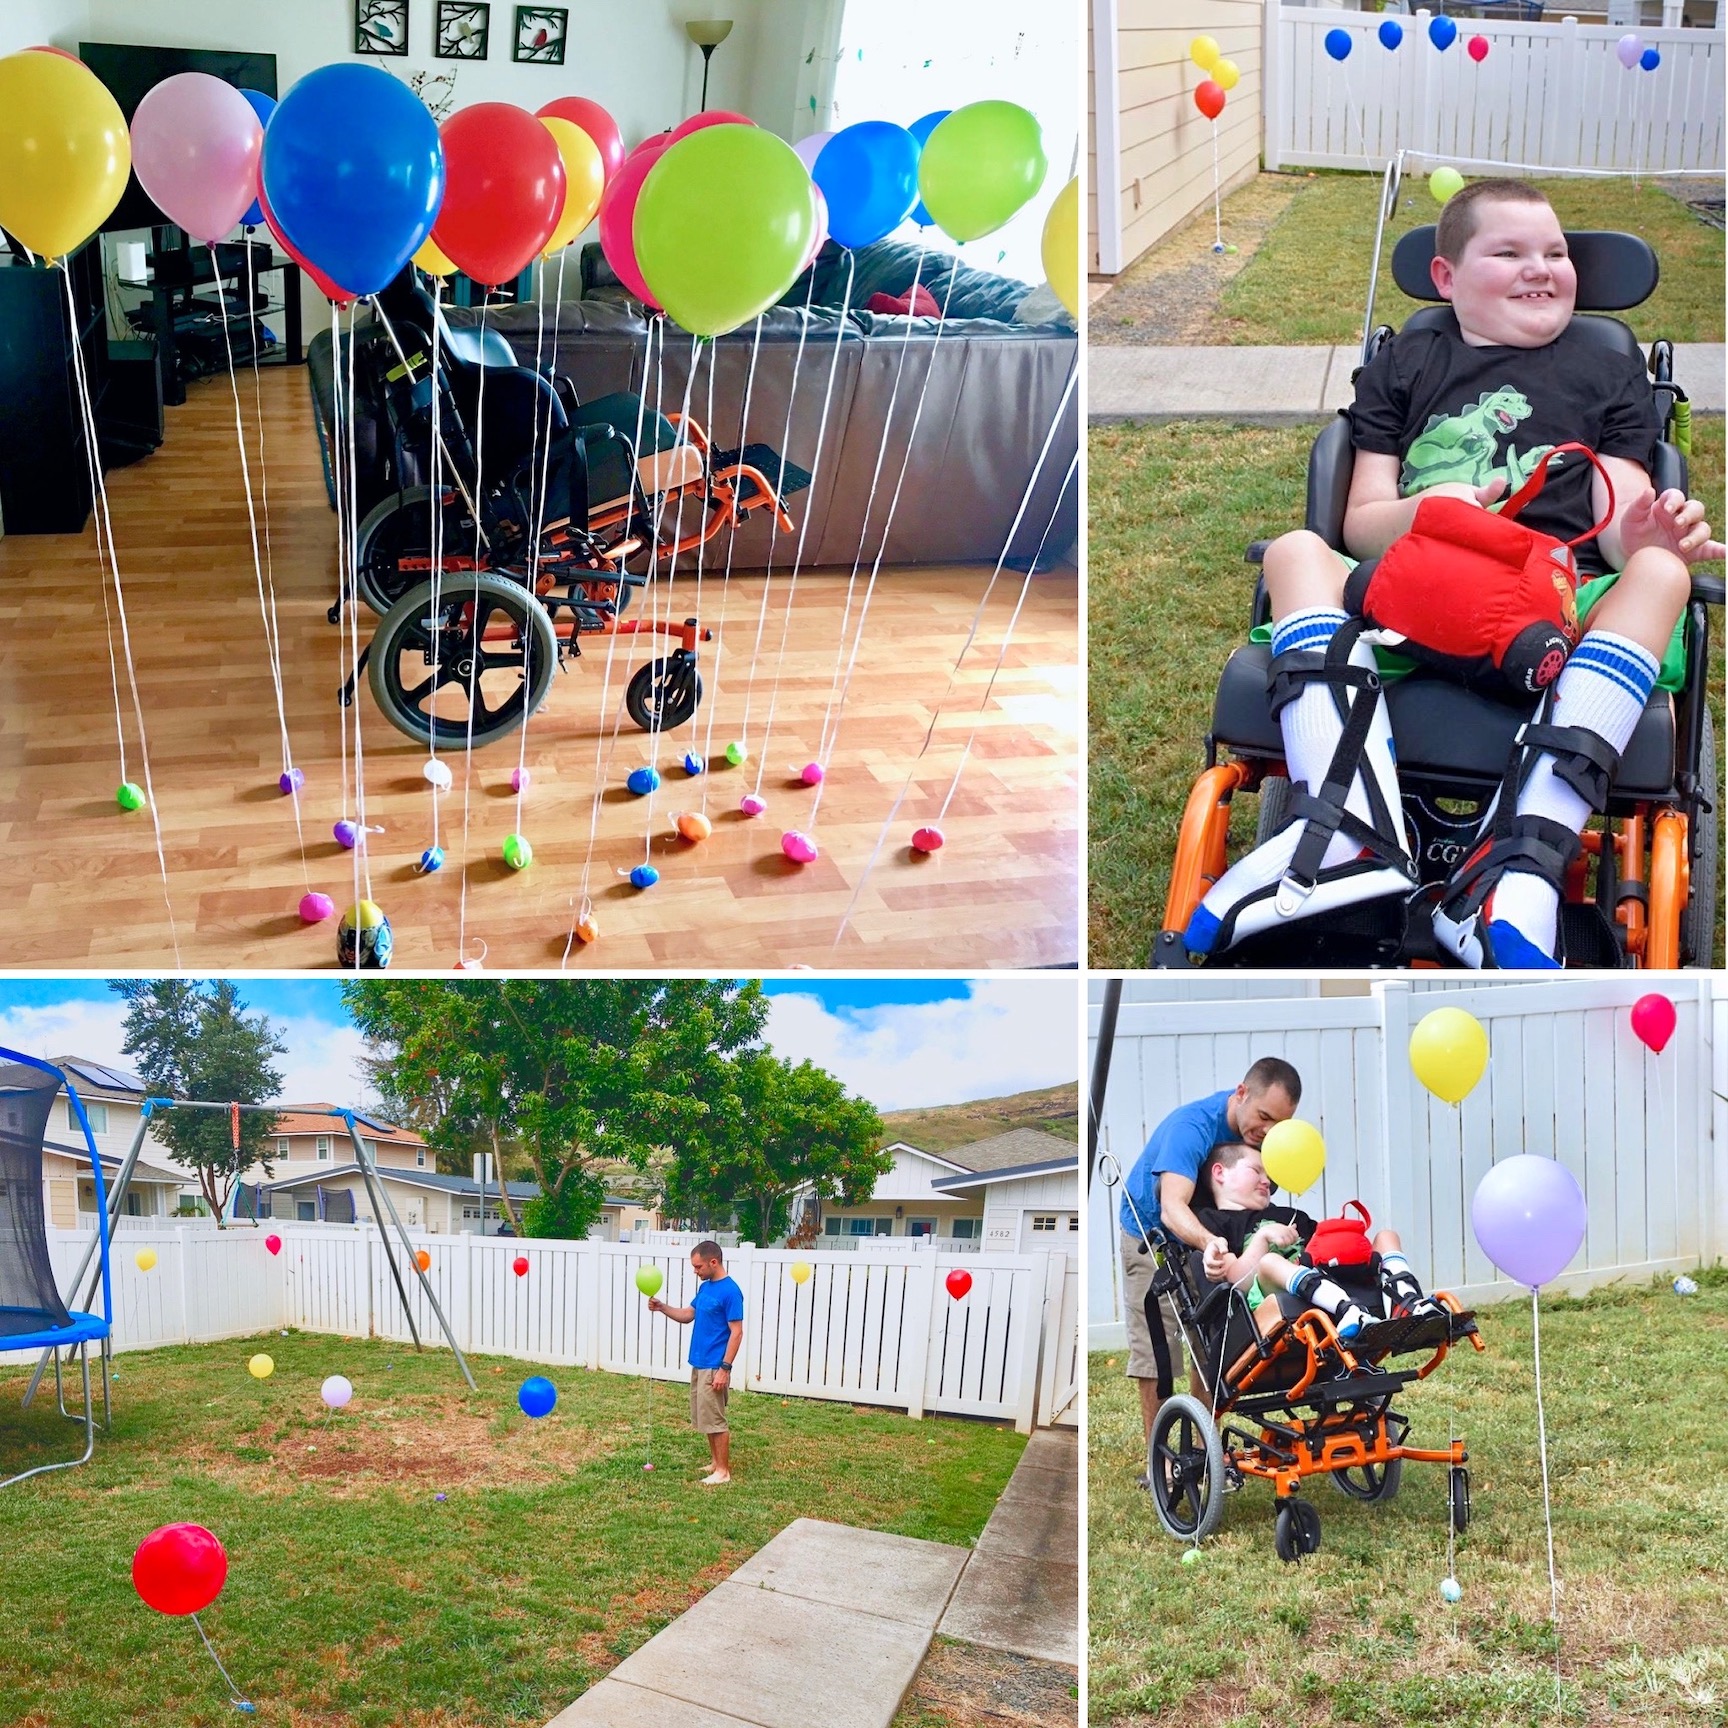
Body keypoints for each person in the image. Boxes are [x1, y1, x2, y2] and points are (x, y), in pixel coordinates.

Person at [1186, 177, 1724, 968]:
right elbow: (1361, 520)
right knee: (1297, 550)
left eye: (1556, 253)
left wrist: (1642, 531)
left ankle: (1518, 858)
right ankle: (1345, 830)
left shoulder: (1610, 374)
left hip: (1558, 600)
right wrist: (1439, 510)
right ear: (1446, 278)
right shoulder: (1408, 362)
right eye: (1508, 252)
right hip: (1415, 585)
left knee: (1662, 577)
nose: (1541, 268)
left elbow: (1620, 515)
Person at [1118, 1056, 1300, 1469]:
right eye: (1263, 1117)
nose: (1267, 1132)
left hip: (1213, 1233)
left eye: (1280, 1125)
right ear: (1240, 1094)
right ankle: (1160, 1461)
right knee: (1158, 1352)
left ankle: (1203, 1449)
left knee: (1214, 1342)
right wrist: (1210, 1243)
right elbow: (1171, 1208)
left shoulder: (1267, 1141)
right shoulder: (1192, 1127)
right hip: (1153, 1235)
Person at [1191, 1143, 1440, 1354]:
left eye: (1269, 1174)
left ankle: (1408, 1306)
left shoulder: (1290, 1214)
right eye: (1256, 1171)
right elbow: (1237, 1281)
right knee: (1270, 1262)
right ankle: (1348, 1310)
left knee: (1387, 1236)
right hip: (1266, 1299)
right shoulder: (1213, 1221)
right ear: (1220, 1173)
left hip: (1320, 1276)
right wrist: (1263, 1237)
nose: (1267, 1181)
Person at [647, 1240, 743, 1487]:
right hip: (699, 1363)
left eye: (698, 1266)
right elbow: (688, 1315)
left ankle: (723, 1471)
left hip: (715, 1365)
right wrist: (662, 1308)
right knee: (705, 1417)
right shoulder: (706, 1289)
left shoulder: (731, 1292)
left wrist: (725, 1368)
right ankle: (714, 1462)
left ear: (714, 1262)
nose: (695, 1271)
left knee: (716, 1418)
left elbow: (737, 1333)